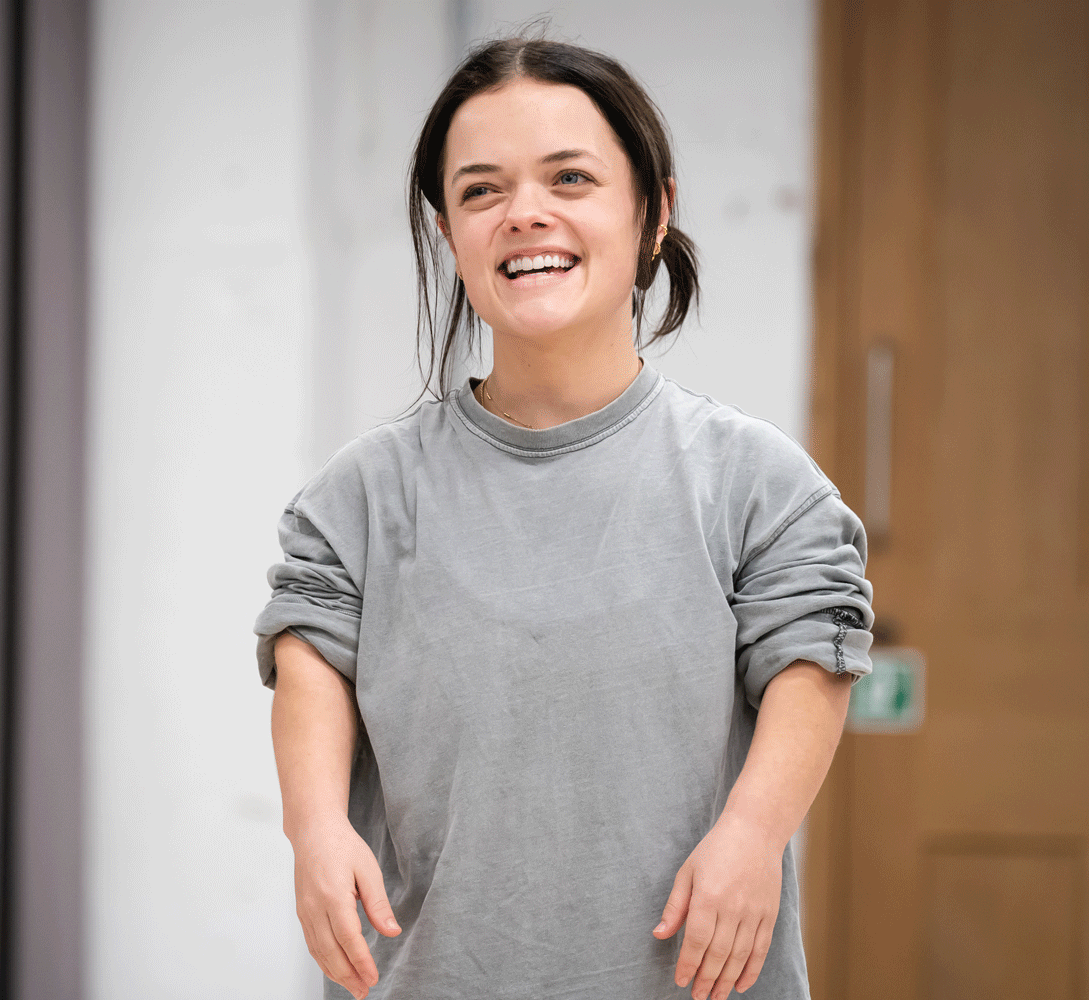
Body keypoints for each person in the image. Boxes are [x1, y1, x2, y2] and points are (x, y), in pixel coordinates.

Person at [252, 35, 874, 1000]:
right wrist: (315, 829)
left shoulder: (756, 480)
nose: (524, 214)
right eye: (480, 190)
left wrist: (753, 835)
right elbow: (309, 653)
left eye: (571, 177)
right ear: (449, 235)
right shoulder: (364, 490)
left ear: (653, 212)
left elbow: (813, 655)